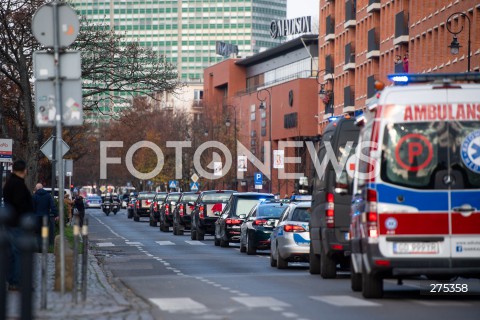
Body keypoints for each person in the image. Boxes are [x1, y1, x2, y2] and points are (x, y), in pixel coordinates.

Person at [3, 160, 34, 291]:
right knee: (18, 253)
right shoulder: (18, 184)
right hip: (18, 223)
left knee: (13, 252)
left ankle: (13, 279)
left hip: (12, 222)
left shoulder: (10, 183)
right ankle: (16, 281)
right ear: (24, 170)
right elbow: (20, 203)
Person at [32, 183, 58, 248]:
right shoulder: (48, 195)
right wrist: (56, 214)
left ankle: (39, 247)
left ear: (36, 188)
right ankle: (44, 246)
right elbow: (52, 206)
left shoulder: (34, 196)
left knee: (38, 232)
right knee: (45, 231)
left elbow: (32, 207)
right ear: (42, 187)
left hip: (37, 217)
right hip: (45, 217)